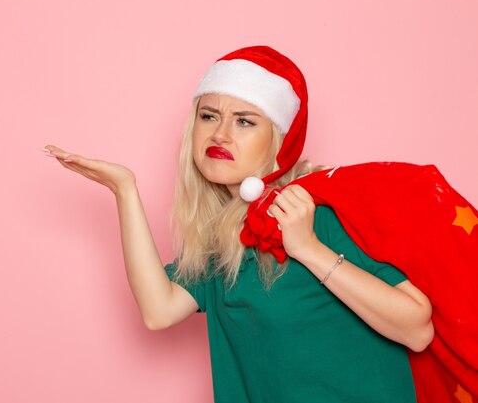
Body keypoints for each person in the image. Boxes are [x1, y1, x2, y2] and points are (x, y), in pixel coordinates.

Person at [42, 46, 434, 403]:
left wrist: (308, 249)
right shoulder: (223, 243)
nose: (220, 133)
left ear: (280, 141)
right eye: (208, 116)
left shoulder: (318, 213)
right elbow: (158, 309)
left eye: (245, 121)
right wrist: (124, 191)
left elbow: (417, 329)